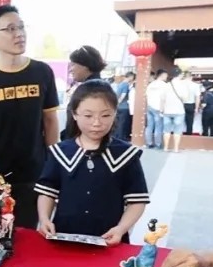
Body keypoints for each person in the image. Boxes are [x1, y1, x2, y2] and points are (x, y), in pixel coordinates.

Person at [0, 5, 60, 230]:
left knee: (26, 235)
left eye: (21, 27)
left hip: (33, 174)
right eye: (10, 29)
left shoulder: (42, 72)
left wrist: (54, 166)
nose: (19, 34)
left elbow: (50, 122)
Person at [36, 81, 149, 244]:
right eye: (88, 116)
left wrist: (121, 229)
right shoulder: (60, 152)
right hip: (63, 237)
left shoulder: (126, 154)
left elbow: (137, 200)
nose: (96, 123)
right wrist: (44, 219)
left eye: (105, 115)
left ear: (115, 114)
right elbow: (47, 192)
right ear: (74, 114)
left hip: (109, 239)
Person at [63, 45, 107, 140]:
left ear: (85, 65)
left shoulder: (91, 89)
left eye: (73, 65)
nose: (71, 69)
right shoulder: (100, 86)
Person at [159, 68, 186, 152]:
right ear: (179, 75)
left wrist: (161, 109)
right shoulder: (183, 85)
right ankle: (176, 149)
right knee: (177, 131)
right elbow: (185, 98)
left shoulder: (166, 85)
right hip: (179, 111)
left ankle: (166, 148)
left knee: (166, 131)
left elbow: (162, 99)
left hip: (167, 110)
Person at [144, 70, 165, 149]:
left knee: (149, 126)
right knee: (158, 127)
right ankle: (158, 144)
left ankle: (149, 143)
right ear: (163, 75)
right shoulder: (164, 85)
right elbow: (163, 98)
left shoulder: (151, 84)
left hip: (150, 107)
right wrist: (162, 109)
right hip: (158, 107)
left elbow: (146, 96)